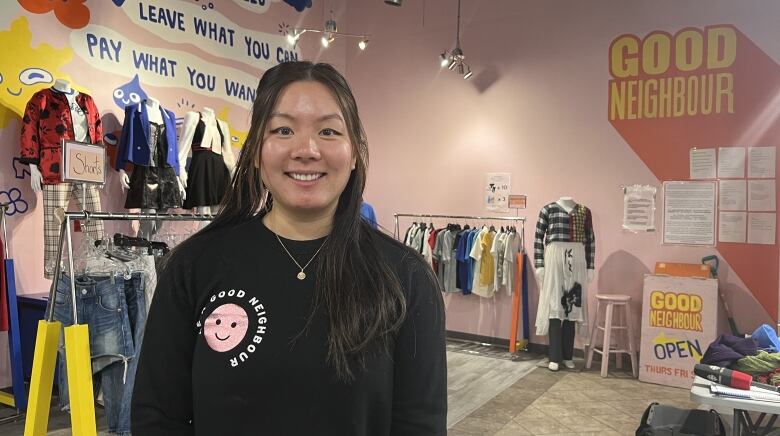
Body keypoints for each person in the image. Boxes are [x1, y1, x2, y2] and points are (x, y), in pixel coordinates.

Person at [131, 61, 447, 435]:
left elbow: (419, 425)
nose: (306, 150)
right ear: (257, 151)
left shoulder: (405, 278)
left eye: (328, 131)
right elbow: (158, 417)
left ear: (355, 152)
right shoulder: (194, 266)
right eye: (283, 129)